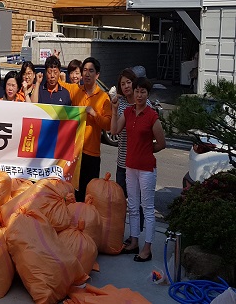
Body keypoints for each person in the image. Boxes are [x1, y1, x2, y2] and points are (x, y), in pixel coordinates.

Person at [111, 77, 166, 262]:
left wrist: (146, 151)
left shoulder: (152, 116)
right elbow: (114, 131)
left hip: (147, 169)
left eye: (143, 92)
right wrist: (113, 108)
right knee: (133, 207)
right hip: (130, 167)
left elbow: (161, 143)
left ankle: (147, 248)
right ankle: (134, 242)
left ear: (147, 94)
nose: (139, 95)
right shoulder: (127, 112)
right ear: (133, 93)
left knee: (147, 208)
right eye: (137, 91)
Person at [61, 57, 112, 202]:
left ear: (97, 75)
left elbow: (108, 125)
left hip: (92, 153)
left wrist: (94, 114)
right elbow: (57, 83)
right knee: (73, 194)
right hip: (74, 153)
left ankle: (86, 222)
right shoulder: (76, 90)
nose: (87, 74)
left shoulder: (104, 98)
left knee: (89, 195)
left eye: (91, 71)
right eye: (84, 70)